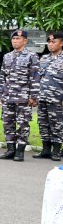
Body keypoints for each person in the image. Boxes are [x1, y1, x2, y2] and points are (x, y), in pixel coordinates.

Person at [0, 29, 39, 162]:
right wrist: (0, 92)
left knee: (23, 124)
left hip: (23, 97)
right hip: (8, 96)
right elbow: (2, 75)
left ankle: (20, 151)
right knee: (7, 123)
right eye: (13, 39)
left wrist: (33, 96)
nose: (15, 41)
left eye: (18, 39)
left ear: (25, 41)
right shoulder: (7, 56)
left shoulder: (32, 56)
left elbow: (35, 77)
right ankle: (10, 149)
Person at [35, 32, 63, 160]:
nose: (50, 44)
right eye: (49, 42)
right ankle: (46, 149)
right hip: (42, 97)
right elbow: (38, 77)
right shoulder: (44, 59)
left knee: (57, 124)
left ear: (61, 43)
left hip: (57, 98)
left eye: (54, 42)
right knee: (43, 123)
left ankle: (57, 150)